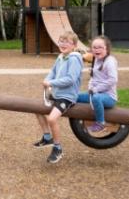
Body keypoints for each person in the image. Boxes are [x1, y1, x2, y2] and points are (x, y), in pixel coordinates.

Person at [33, 31, 83, 164]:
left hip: (67, 97)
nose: (62, 44)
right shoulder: (61, 56)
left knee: (52, 119)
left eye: (66, 42)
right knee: (37, 109)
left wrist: (51, 83)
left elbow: (70, 79)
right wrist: (47, 79)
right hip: (56, 94)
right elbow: (53, 72)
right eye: (61, 41)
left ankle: (58, 148)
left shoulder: (74, 59)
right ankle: (47, 137)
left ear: (74, 45)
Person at [77, 36, 118, 133]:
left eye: (100, 47)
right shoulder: (96, 60)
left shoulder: (110, 61)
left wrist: (96, 89)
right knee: (75, 96)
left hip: (109, 97)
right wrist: (91, 87)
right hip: (94, 94)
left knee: (97, 98)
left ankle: (101, 123)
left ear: (106, 49)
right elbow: (93, 78)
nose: (97, 50)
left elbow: (113, 80)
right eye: (94, 48)